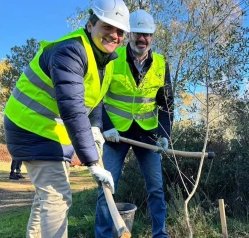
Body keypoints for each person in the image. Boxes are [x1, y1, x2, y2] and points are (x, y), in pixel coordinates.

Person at [3, 0, 130, 237]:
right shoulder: (70, 51)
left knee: (47, 197)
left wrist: (96, 128)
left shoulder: (105, 60)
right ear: (91, 25)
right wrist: (92, 161)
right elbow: (72, 109)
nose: (114, 35)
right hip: (30, 127)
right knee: (58, 197)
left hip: (49, 130)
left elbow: (95, 100)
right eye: (108, 27)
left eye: (120, 31)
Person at [94, 9, 173, 238]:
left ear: (152, 37)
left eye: (147, 35)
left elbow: (167, 106)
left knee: (156, 189)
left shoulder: (160, 64)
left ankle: (160, 234)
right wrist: (105, 126)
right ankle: (103, 235)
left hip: (148, 135)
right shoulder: (112, 59)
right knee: (106, 188)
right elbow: (96, 98)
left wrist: (164, 135)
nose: (143, 39)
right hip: (115, 134)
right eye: (138, 33)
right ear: (129, 34)